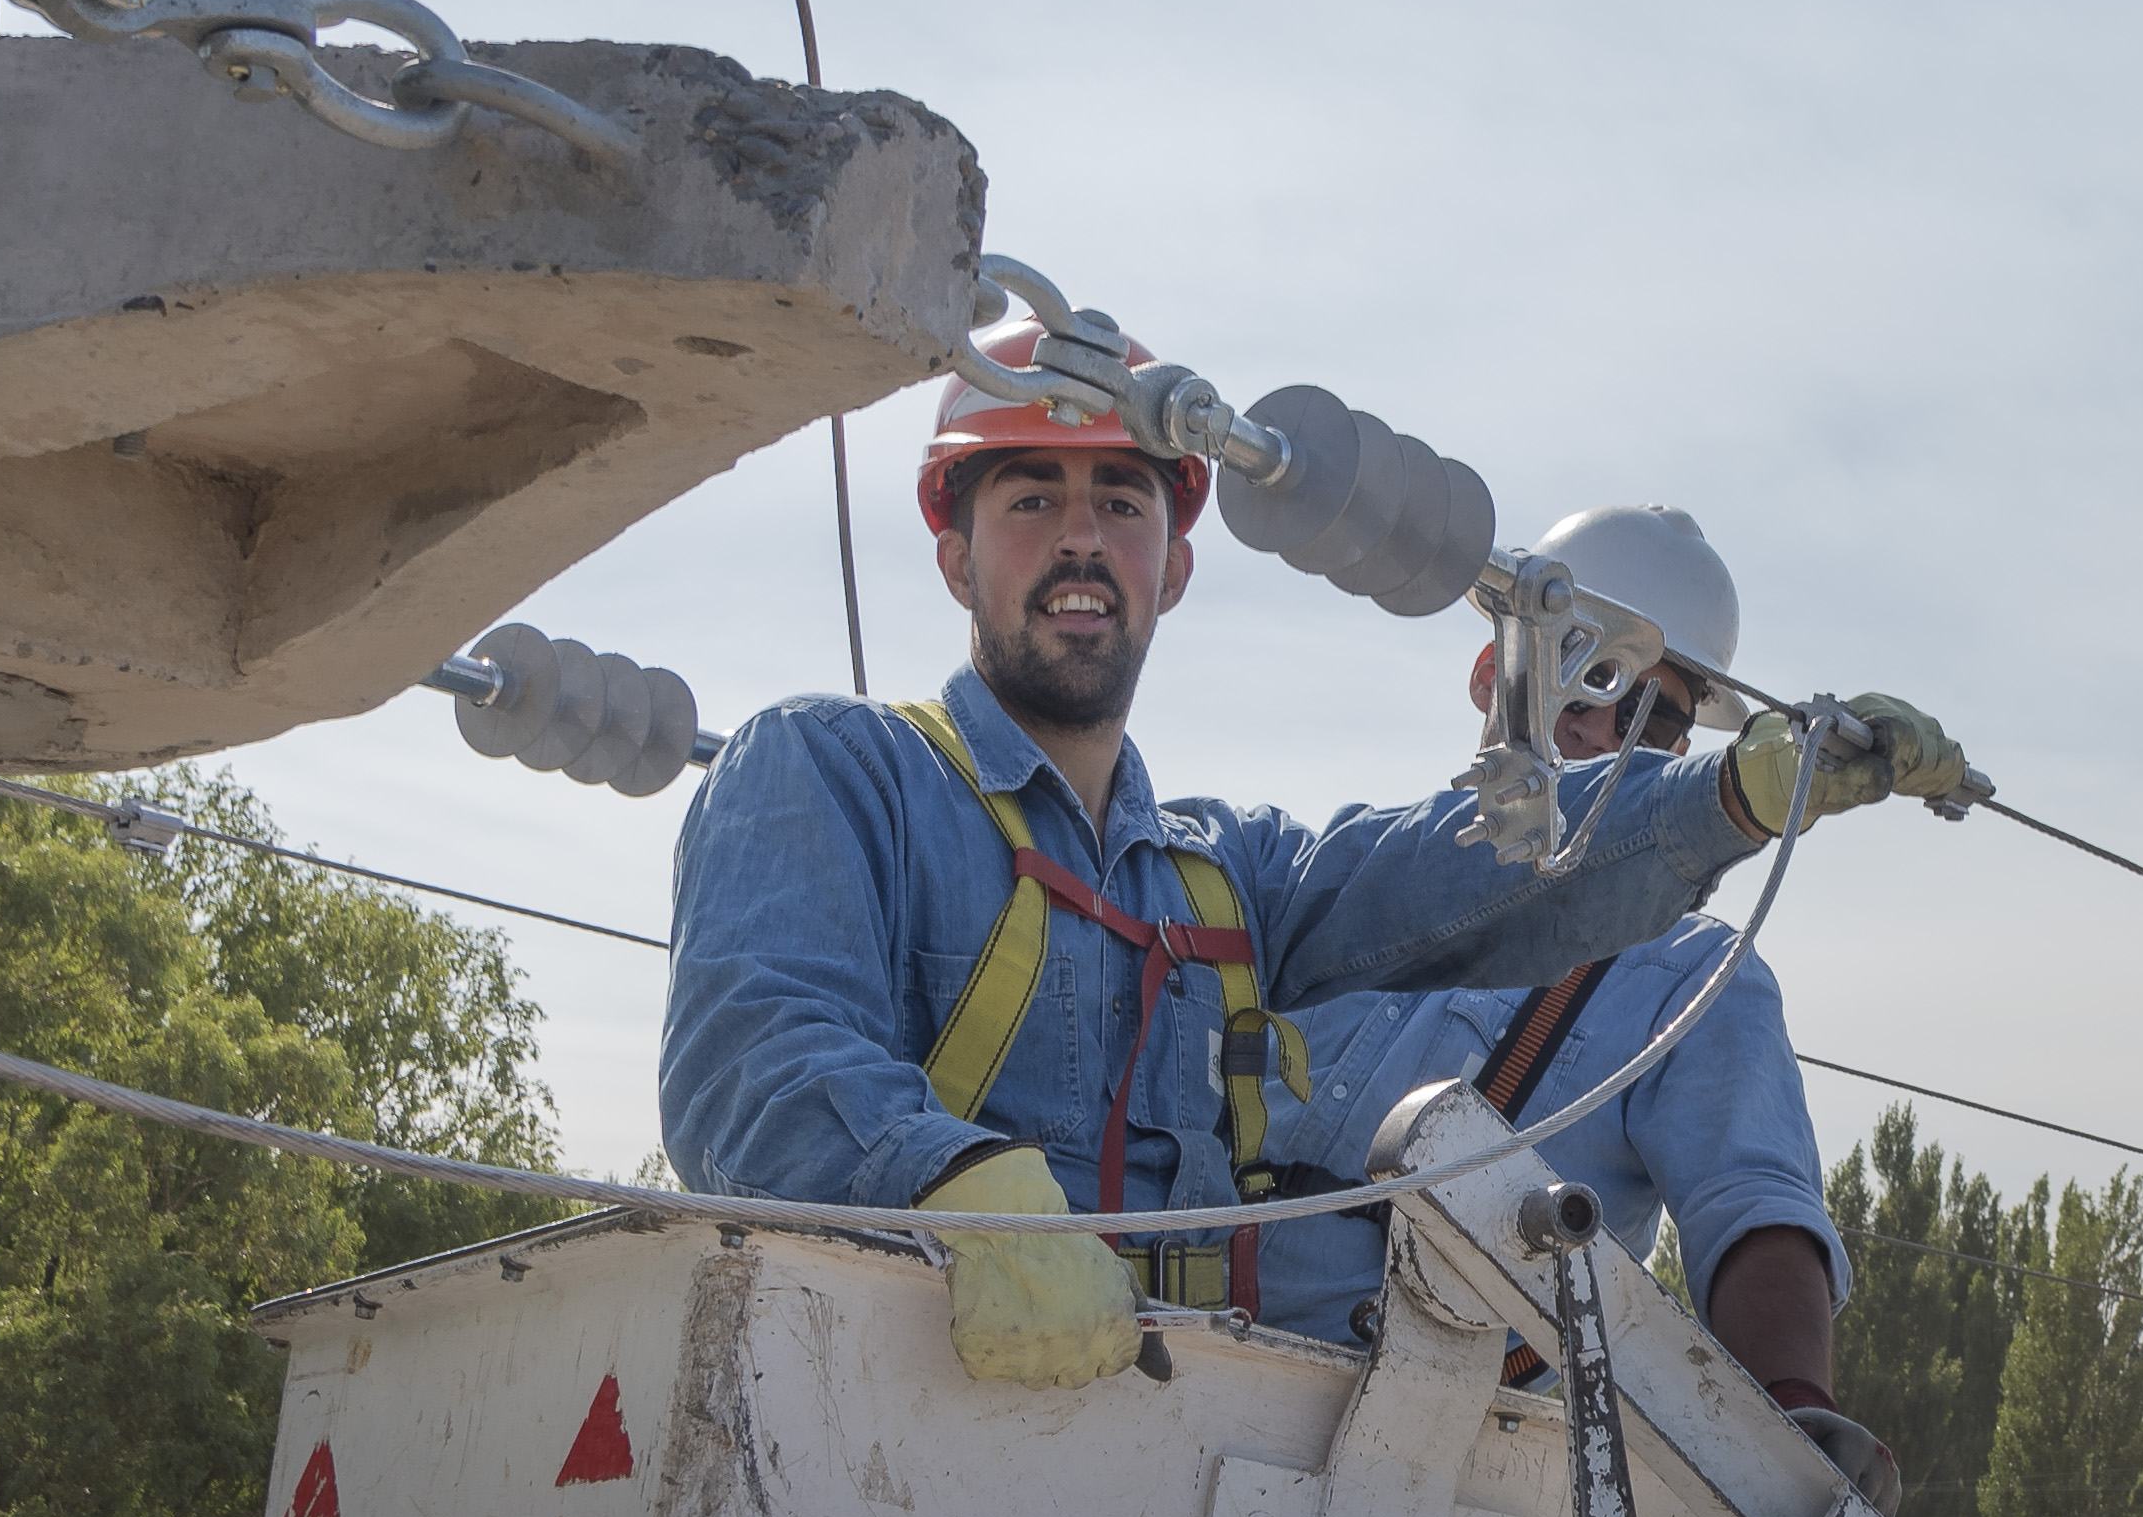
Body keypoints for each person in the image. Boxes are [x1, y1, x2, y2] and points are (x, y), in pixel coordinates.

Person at [658, 364, 1969, 1391]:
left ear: (1172, 570)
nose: (1079, 541)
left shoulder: (1225, 886)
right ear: (957, 554)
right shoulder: (840, 773)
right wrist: (949, 1188)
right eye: (1030, 499)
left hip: (1197, 1462)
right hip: (879, 1413)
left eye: (1121, 504)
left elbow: (1443, 885)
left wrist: (1725, 801)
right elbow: (751, 1058)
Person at [1253, 508, 1893, 1501]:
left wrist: (1792, 1415)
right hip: (1169, 1380)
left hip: (1423, 1483)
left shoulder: (1689, 974)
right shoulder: (1329, 889)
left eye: (1656, 714)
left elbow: (1753, 1207)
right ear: (1490, 672)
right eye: (1586, 674)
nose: (1608, 727)